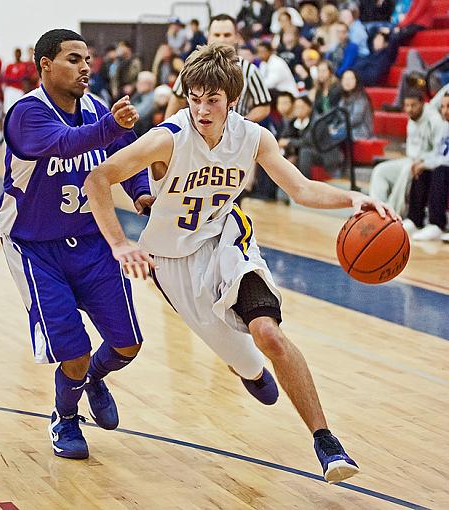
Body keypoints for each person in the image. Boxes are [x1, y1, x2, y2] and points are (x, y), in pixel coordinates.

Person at [84, 43, 397, 483]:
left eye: (212, 100)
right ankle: (239, 370)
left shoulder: (253, 137)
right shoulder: (166, 139)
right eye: (194, 98)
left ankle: (327, 442)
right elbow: (98, 178)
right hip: (173, 261)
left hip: (228, 237)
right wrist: (119, 244)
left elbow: (302, 189)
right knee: (249, 363)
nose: (201, 110)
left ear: (233, 101)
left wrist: (354, 199)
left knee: (268, 333)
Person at [0, 29, 153, 460]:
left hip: (90, 239)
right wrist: (110, 127)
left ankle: (92, 380)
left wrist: (140, 190)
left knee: (127, 344)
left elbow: (129, 153)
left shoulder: (98, 110)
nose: (85, 66)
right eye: (72, 59)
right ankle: (65, 416)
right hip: (34, 245)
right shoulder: (26, 114)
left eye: (87, 59)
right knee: (75, 351)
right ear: (45, 64)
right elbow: (66, 144)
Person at [165, 14, 271, 123]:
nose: (221, 39)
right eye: (217, 35)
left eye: (227, 35)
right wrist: (167, 128)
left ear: (236, 37)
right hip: (198, 133)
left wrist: (239, 125)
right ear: (208, 37)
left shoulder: (249, 70)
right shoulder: (192, 67)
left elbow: (264, 106)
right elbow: (177, 99)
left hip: (234, 138)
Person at [369, 92, 439, 215]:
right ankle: (375, 210)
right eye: (406, 105)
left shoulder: (434, 120)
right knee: (380, 170)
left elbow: (439, 151)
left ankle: (391, 214)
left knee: (407, 170)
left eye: (413, 105)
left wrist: (424, 161)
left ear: (422, 103)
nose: (409, 109)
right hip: (410, 160)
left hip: (428, 164)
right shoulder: (412, 118)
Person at [403, 93, 449, 241]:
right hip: (444, 166)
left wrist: (428, 164)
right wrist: (423, 163)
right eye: (442, 106)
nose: (444, 111)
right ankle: (415, 220)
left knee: (440, 170)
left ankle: (437, 223)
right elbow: (437, 153)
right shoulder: (444, 127)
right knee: (421, 171)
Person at [2, 48, 28, 114]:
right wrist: (14, 79)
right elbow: (5, 78)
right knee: (8, 111)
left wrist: (12, 79)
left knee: (18, 111)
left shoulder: (23, 66)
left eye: (18, 53)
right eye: (16, 53)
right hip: (10, 90)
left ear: (20, 54)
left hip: (19, 90)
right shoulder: (10, 66)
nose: (17, 55)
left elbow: (22, 78)